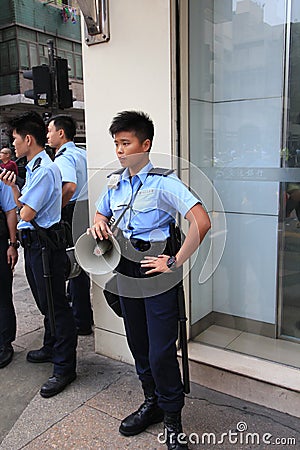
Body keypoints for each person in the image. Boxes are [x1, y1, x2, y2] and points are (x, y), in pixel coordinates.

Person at [88, 111, 211, 449]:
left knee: (160, 352)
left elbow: (201, 221)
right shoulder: (115, 182)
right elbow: (103, 211)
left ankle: (173, 419)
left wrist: (174, 260)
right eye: (116, 144)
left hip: (156, 273)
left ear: (146, 144)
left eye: (126, 143)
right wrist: (99, 223)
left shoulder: (164, 182)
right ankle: (152, 403)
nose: (120, 151)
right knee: (139, 344)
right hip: (125, 269)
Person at [0, 112, 77, 398]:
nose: (13, 145)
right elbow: (24, 206)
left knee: (56, 306)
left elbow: (26, 212)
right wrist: (13, 188)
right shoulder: (34, 167)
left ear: (27, 139)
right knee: (46, 304)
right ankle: (50, 345)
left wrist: (17, 201)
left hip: (45, 247)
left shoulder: (44, 169)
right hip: (35, 245)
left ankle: (64, 366)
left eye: (15, 139)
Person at [47, 114, 93, 335]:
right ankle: (84, 316)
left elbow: (70, 187)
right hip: (85, 209)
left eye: (50, 131)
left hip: (71, 210)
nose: (48, 135)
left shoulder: (63, 157)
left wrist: (55, 209)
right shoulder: (82, 153)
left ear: (61, 133)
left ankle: (80, 320)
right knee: (82, 262)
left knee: (72, 266)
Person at [0, 180, 18, 368]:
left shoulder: (1, 180)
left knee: (2, 295)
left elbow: (10, 211)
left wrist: (12, 245)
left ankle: (5, 343)